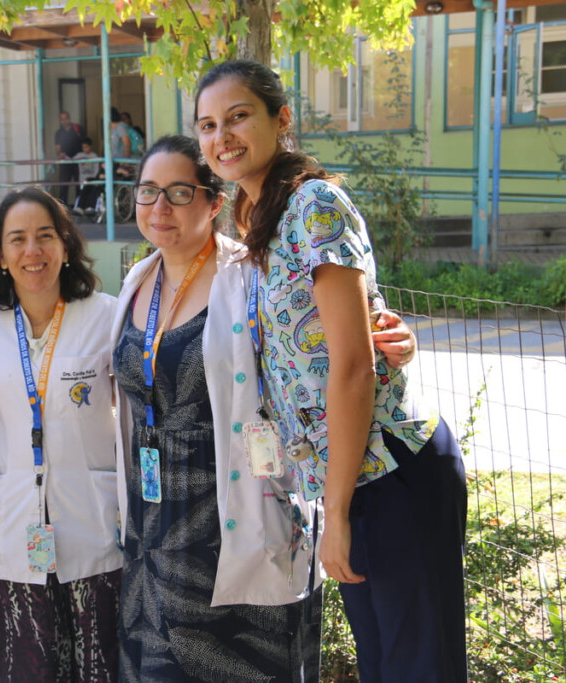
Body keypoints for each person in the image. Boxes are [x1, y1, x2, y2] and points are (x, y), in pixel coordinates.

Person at [194, 59, 467, 683]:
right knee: (386, 667)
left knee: (418, 670)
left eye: (238, 117)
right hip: (352, 480)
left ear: (281, 120)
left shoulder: (313, 204)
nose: (221, 137)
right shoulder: (258, 216)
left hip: (390, 471)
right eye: (208, 125)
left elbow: (349, 366)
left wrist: (337, 514)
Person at [110, 135, 418, 682]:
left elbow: (328, 347)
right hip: (154, 531)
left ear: (213, 201)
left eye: (179, 192)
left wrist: (393, 340)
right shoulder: (136, 282)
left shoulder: (250, 273)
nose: (161, 208)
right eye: (148, 192)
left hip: (239, 520)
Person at [0, 188, 121, 682]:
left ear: (65, 246)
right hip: (17, 522)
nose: (32, 251)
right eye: (18, 239)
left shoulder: (106, 315)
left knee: (99, 662)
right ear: (1, 255)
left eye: (44, 237)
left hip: (90, 520)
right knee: (29, 665)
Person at [54, 111, 84, 205]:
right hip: (65, 162)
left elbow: (85, 144)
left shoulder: (78, 129)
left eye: (65, 118)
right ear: (59, 120)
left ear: (69, 118)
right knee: (63, 185)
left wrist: (84, 156)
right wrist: (60, 154)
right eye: (61, 119)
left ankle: (80, 206)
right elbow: (58, 149)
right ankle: (63, 207)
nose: (64, 121)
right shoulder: (58, 133)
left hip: (78, 161)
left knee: (79, 184)